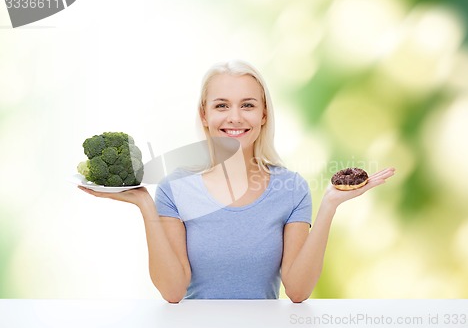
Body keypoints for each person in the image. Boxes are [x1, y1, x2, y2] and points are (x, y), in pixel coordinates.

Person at [79, 60, 395, 303]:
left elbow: (297, 291)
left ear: (264, 115)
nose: (235, 117)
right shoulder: (174, 188)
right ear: (204, 115)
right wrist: (145, 205)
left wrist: (329, 206)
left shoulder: (292, 188)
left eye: (247, 105)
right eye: (221, 106)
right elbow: (173, 292)